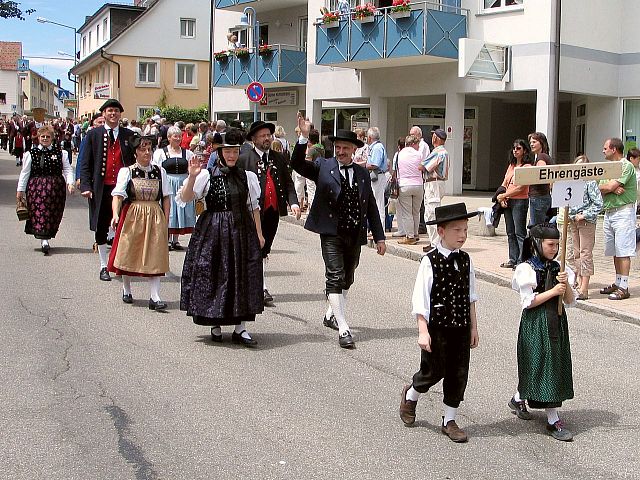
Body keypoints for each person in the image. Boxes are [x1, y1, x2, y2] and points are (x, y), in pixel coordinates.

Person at [291, 114, 386, 349]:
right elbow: (297, 164)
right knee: (334, 275)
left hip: (354, 233)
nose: (341, 151)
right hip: (331, 232)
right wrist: (303, 137)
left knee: (347, 277)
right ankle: (344, 328)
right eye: (338, 147)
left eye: (345, 148)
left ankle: (330, 314)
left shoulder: (362, 174)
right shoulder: (324, 166)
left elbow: (371, 207)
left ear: (354, 150)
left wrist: (380, 236)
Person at [399, 203, 479, 443]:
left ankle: (449, 419)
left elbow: (471, 296)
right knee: (433, 371)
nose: (462, 235)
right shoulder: (429, 261)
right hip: (438, 327)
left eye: (465, 230)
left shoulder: (466, 260)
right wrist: (423, 331)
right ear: (441, 232)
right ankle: (411, 395)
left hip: (462, 327)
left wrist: (474, 327)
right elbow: (420, 299)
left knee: (458, 372)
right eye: (457, 230)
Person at [178, 129, 265, 346]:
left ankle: (240, 328)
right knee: (215, 273)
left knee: (242, 275)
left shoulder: (248, 176)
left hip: (242, 230)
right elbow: (187, 197)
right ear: (219, 152)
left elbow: (253, 207)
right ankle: (215, 322)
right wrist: (191, 177)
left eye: (235, 151)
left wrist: (259, 234)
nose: (232, 155)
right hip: (214, 230)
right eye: (227, 151)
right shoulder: (207, 176)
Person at [509, 223, 576, 442]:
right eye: (550, 244)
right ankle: (552, 418)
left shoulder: (560, 268)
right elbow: (528, 302)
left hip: (556, 322)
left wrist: (566, 288)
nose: (554, 249)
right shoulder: (527, 268)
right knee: (538, 364)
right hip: (536, 323)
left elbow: (570, 302)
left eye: (557, 244)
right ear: (538, 243)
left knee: (554, 365)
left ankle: (521, 398)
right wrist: (553, 291)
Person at [238, 121, 300, 306]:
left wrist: (294, 202)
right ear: (254, 139)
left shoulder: (278, 157)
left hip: (272, 211)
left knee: (264, 249)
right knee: (253, 247)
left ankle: (259, 284)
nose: (267, 138)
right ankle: (257, 286)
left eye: (268, 135)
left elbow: (288, 183)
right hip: (251, 212)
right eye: (263, 136)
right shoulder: (244, 158)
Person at [107, 134, 171, 310]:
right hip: (133, 214)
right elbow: (118, 196)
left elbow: (166, 197)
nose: (147, 152)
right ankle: (126, 288)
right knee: (130, 251)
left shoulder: (160, 171)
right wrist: (115, 215)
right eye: (143, 149)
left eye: (149, 149)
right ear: (135, 152)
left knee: (155, 253)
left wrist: (166, 219)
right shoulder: (127, 171)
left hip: (154, 213)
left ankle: (155, 296)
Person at [79, 99, 135, 282]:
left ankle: (120, 262)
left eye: (116, 111)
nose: (113, 114)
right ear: (103, 114)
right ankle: (104, 265)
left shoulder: (128, 135)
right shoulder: (93, 134)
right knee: (101, 226)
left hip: (123, 188)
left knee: (124, 225)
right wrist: (86, 186)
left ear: (120, 114)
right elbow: (86, 163)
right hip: (101, 188)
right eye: (110, 111)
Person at [16, 125, 76, 254]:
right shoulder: (30, 154)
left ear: (52, 138)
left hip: (56, 188)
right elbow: (25, 173)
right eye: (42, 136)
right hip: (36, 187)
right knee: (40, 211)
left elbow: (67, 169)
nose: (45, 139)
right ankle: (44, 240)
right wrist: (20, 190)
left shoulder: (61, 153)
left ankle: (47, 235)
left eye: (47, 137)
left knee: (52, 213)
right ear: (38, 138)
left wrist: (70, 183)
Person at [598, 137, 637, 300]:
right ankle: (618, 281)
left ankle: (624, 286)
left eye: (605, 148)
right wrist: (610, 188)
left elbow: (609, 186)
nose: (603, 150)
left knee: (623, 250)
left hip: (623, 212)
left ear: (614, 149)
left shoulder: (626, 166)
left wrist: (610, 188)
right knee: (614, 250)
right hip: (609, 211)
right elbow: (599, 187)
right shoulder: (608, 167)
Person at [562, 155, 603, 300]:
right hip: (573, 221)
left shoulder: (590, 182)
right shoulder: (572, 182)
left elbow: (598, 203)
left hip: (586, 222)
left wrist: (584, 214)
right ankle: (578, 283)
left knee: (586, 253)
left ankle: (585, 288)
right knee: (576, 253)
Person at [152, 125, 196, 250]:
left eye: (179, 137)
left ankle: (175, 240)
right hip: (168, 183)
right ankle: (166, 239)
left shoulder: (187, 153)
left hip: (182, 183)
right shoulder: (161, 153)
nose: (177, 139)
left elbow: (191, 169)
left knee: (180, 210)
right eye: (175, 136)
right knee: (169, 211)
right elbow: (156, 169)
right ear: (169, 137)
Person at [496, 139, 531, 268]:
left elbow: (521, 188)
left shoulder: (527, 167)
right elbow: (505, 182)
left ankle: (522, 260)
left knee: (519, 232)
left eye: (518, 148)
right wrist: (502, 197)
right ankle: (513, 259)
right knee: (510, 232)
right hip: (508, 201)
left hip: (520, 201)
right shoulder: (511, 165)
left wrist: (504, 196)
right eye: (514, 148)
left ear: (524, 151)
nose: (515, 151)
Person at [420, 129, 450, 250]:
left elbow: (423, 167)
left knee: (431, 213)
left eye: (433, 135)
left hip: (434, 184)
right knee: (430, 212)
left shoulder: (438, 152)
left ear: (436, 138)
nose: (432, 137)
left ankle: (435, 243)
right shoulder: (444, 152)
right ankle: (434, 242)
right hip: (437, 184)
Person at [396, 135, 424, 245]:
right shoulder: (419, 154)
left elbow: (397, 169)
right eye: (417, 144)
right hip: (418, 185)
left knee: (407, 213)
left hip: (405, 185)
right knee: (416, 212)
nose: (418, 146)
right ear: (412, 144)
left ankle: (410, 236)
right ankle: (416, 234)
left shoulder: (400, 154)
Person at [528, 132, 553, 225]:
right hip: (543, 197)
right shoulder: (544, 156)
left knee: (537, 228)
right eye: (531, 142)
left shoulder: (541, 157)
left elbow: (542, 173)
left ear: (541, 143)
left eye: (534, 142)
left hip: (538, 197)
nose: (531, 144)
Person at [366, 127, 388, 233]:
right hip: (375, 176)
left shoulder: (377, 147)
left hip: (378, 176)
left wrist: (362, 165)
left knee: (378, 204)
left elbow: (375, 164)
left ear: (370, 137)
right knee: (375, 203)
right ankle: (375, 229)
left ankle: (380, 230)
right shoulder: (375, 147)